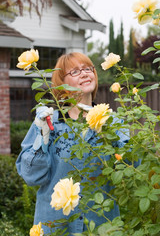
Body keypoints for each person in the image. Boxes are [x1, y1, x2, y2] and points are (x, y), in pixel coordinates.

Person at [16, 52, 130, 235]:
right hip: (56, 226)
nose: (85, 74)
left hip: (102, 226)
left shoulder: (113, 122)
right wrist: (41, 140)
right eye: (75, 71)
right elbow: (31, 177)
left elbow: (131, 170)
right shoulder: (48, 122)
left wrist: (111, 136)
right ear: (62, 84)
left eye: (88, 69)